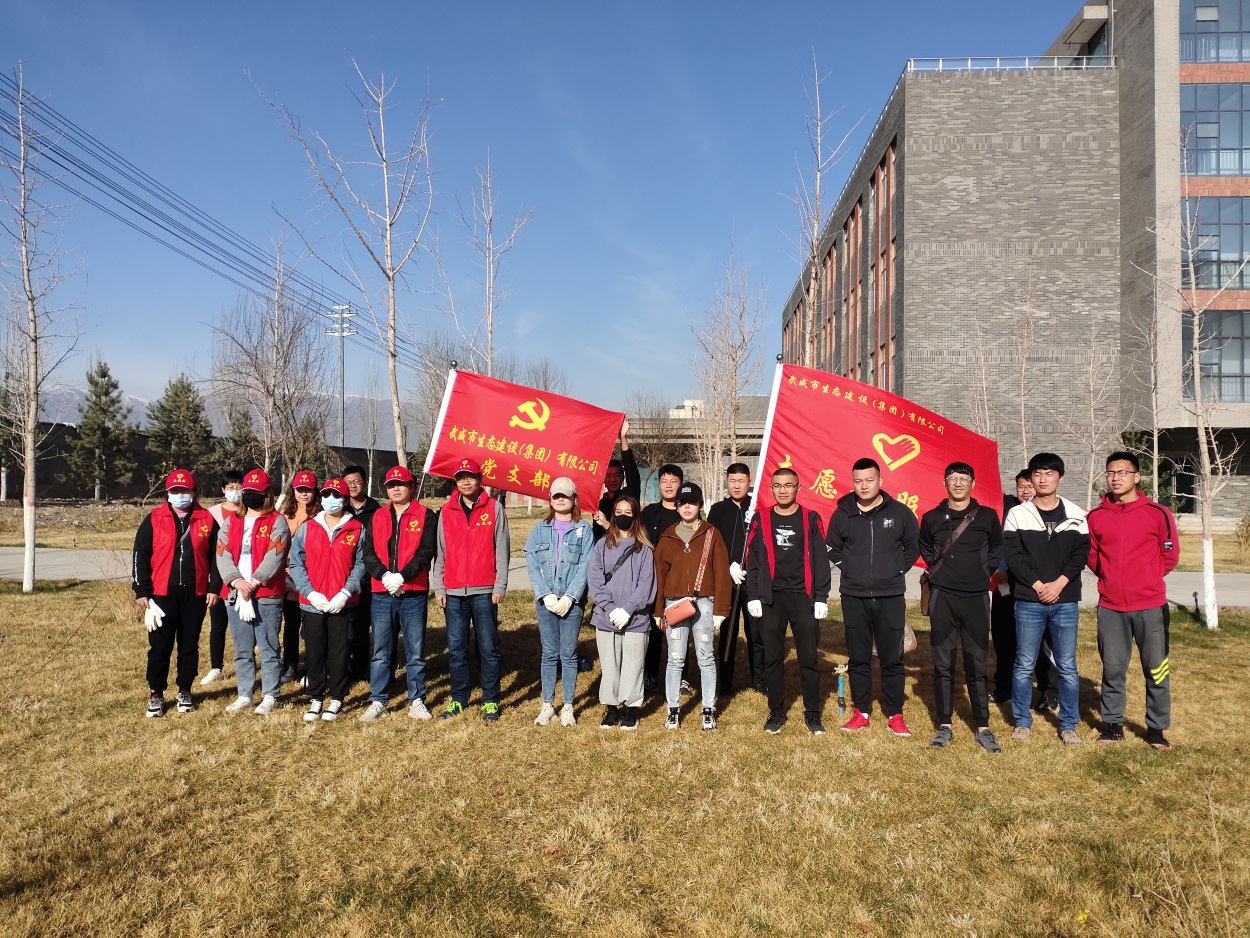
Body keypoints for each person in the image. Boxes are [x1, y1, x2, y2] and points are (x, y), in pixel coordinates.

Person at [1086, 451, 1180, 751]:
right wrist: (1112, 578)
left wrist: (1147, 578)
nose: (1115, 478)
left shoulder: (1157, 513)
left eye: (1122, 472)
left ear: (1137, 477)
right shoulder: (1096, 517)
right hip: (1111, 607)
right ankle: (1113, 725)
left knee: (1156, 669)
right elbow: (1093, 556)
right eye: (1111, 472)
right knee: (1113, 668)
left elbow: (1170, 554)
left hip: (1150, 606)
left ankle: (1156, 729)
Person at [826, 457, 920, 736]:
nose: (864, 486)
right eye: (858, 481)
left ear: (880, 481)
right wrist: (850, 569)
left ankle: (895, 713)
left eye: (869, 480)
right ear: (852, 482)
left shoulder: (900, 513)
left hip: (890, 595)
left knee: (892, 658)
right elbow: (832, 547)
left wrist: (895, 570)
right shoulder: (842, 514)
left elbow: (913, 547)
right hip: (854, 595)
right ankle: (861, 712)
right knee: (858, 657)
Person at [1003, 453, 1090, 746]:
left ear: (1060, 478)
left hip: (1065, 600)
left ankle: (1068, 724)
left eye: (1049, 474)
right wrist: (1039, 585)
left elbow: (1080, 555)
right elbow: (1013, 556)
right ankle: (1021, 722)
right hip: (1030, 599)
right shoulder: (1018, 514)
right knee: (1024, 664)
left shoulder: (1076, 514)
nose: (1043, 479)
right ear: (1031, 478)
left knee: (1067, 665)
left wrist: (1060, 583)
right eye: (1037, 474)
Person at [918, 462, 1004, 753]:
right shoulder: (931, 517)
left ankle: (983, 727)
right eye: (952, 479)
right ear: (944, 483)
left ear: (972, 483)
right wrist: (941, 573)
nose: (958, 483)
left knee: (976, 663)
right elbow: (926, 549)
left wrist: (983, 572)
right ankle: (945, 725)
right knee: (943, 664)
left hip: (976, 597)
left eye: (963, 479)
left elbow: (996, 548)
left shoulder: (987, 516)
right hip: (943, 597)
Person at [744, 467, 832, 735]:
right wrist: (753, 595)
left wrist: (820, 596)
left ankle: (812, 714)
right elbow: (752, 560)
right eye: (778, 485)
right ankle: (776, 712)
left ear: (798, 488)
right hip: (772, 598)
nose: (783, 490)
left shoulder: (810, 518)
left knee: (808, 658)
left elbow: (820, 559)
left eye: (788, 485)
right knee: (772, 658)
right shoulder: (761, 518)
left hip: (802, 596)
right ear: (771, 489)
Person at [132, 468, 221, 717]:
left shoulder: (206, 519)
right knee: (160, 646)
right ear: (168, 493)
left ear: (194, 492)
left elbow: (217, 557)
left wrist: (214, 587)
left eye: (185, 490)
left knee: (189, 644)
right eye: (175, 491)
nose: (180, 495)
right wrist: (141, 590)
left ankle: (184, 690)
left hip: (195, 592)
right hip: (161, 593)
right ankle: (156, 694)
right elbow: (140, 554)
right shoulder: (154, 518)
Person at [431, 457, 510, 721]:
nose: (466, 482)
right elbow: (440, 551)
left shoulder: (494, 508)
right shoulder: (446, 511)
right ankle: (459, 698)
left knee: (488, 648)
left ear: (480, 479)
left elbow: (502, 549)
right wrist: (439, 586)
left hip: (485, 590)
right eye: (460, 477)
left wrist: (500, 585)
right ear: (455, 482)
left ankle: (490, 700)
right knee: (456, 649)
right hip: (453, 592)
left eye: (471, 477)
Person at [357, 465, 438, 722]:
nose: (395, 488)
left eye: (401, 484)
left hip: (413, 591)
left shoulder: (425, 515)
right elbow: (368, 552)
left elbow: (426, 550)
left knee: (415, 650)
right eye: (391, 485)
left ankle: (417, 700)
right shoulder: (377, 516)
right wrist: (384, 576)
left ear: (412, 486)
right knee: (381, 650)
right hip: (382, 592)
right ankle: (378, 700)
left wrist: (403, 576)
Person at [652, 482, 732, 730]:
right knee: (675, 658)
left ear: (700, 505)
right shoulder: (668, 536)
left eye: (692, 503)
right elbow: (659, 576)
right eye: (682, 503)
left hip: (705, 603)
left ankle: (708, 709)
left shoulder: (712, 534)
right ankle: (673, 710)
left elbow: (722, 572)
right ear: (677, 507)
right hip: (675, 604)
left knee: (706, 658)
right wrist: (658, 611)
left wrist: (721, 609)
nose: (687, 507)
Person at [287, 477, 365, 722]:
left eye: (337, 495)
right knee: (315, 650)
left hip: (342, 602)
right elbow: (296, 563)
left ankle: (337, 697)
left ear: (345, 500)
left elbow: (361, 563)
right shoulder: (308, 528)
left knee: (340, 651)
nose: (332, 499)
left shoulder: (357, 528)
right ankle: (316, 697)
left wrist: (346, 592)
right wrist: (309, 592)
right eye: (327, 495)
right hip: (313, 602)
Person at [216, 468, 292, 716]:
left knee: (269, 648)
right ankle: (245, 695)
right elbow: (222, 553)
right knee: (242, 649)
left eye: (256, 492)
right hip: (237, 594)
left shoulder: (277, 521)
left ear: (267, 494)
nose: (250, 496)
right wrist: (237, 581)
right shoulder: (231, 521)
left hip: (266, 593)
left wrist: (256, 581)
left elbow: (276, 554)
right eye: (247, 491)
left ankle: (270, 695)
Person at [524, 477, 594, 727]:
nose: (561, 500)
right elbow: (532, 562)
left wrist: (570, 597)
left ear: (575, 499)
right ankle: (547, 705)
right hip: (546, 602)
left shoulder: (584, 529)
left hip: (571, 604)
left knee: (568, 653)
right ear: (550, 500)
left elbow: (586, 565)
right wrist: (545, 594)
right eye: (556, 496)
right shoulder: (539, 529)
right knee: (549, 653)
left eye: (566, 496)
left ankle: (568, 706)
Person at [587, 495, 655, 731]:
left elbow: (646, 584)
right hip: (606, 617)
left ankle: (630, 709)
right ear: (613, 515)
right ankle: (611, 708)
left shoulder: (644, 550)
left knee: (633, 665)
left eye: (628, 512)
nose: (623, 516)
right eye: (619, 512)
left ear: (635, 516)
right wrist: (609, 607)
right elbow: (595, 580)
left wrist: (628, 609)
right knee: (610, 665)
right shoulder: (602, 545)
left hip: (636, 618)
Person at [990, 470, 1055, 707]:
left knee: (1040, 642)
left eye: (1030, 486)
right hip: (1004, 589)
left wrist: (1013, 572)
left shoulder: (1048, 512)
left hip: (1034, 590)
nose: (1025, 491)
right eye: (1021, 487)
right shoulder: (1005, 507)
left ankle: (1049, 690)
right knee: (1003, 640)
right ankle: (1004, 688)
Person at [710, 462, 763, 695]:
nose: (737, 485)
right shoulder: (718, 510)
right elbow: (712, 544)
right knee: (727, 635)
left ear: (749, 482)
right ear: (727, 483)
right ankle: (725, 682)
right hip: (727, 581)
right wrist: (728, 564)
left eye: (741, 481)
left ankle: (759, 680)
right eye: (732, 481)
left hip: (753, 582)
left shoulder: (757, 508)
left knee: (756, 633)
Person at [641, 463, 684, 692]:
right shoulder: (648, 513)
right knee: (653, 631)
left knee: (680, 630)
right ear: (658, 485)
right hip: (653, 580)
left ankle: (682, 677)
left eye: (673, 481)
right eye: (664, 481)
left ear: (680, 484)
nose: (668, 486)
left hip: (679, 581)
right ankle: (649, 675)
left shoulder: (686, 512)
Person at [201, 469, 243, 687]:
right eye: (230, 487)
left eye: (239, 487)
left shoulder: (249, 511)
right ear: (223, 490)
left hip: (243, 578)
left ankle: (245, 662)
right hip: (218, 579)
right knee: (218, 625)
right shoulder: (212, 514)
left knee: (244, 626)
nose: (235, 491)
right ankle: (216, 667)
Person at [279, 469, 320, 685]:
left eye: (308, 490)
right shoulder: (285, 515)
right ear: (293, 491)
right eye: (300, 489)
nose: (304, 494)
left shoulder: (321, 514)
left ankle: (312, 666)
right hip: (288, 580)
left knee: (312, 628)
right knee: (291, 625)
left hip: (312, 579)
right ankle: (290, 665)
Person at [343, 464, 380, 684]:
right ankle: (345, 668)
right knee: (346, 627)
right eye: (348, 483)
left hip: (369, 579)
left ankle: (363, 668)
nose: (353, 486)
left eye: (356, 481)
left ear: (364, 482)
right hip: (344, 578)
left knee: (365, 625)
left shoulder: (376, 510)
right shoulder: (339, 508)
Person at [593, 418, 641, 540]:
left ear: (623, 477)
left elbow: (632, 471)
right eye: (608, 476)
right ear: (603, 479)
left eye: (616, 475)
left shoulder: (628, 496)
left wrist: (622, 438)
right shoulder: (599, 505)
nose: (613, 480)